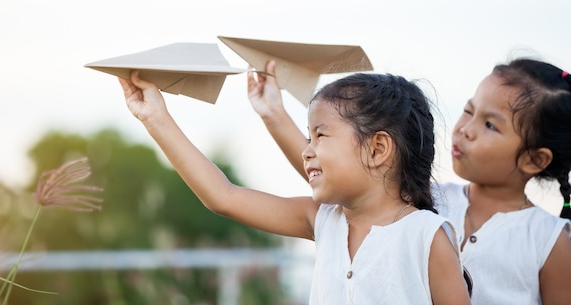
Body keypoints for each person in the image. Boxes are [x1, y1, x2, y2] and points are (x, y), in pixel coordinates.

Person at [118, 69, 471, 305]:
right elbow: (222, 196)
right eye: (308, 136)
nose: (307, 151)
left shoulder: (427, 237)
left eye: (320, 135)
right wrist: (156, 119)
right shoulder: (322, 219)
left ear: (377, 149)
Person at [247, 58, 571, 305]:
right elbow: (340, 172)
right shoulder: (428, 201)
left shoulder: (550, 240)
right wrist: (274, 115)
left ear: (535, 159)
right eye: (469, 111)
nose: (466, 128)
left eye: (490, 125)